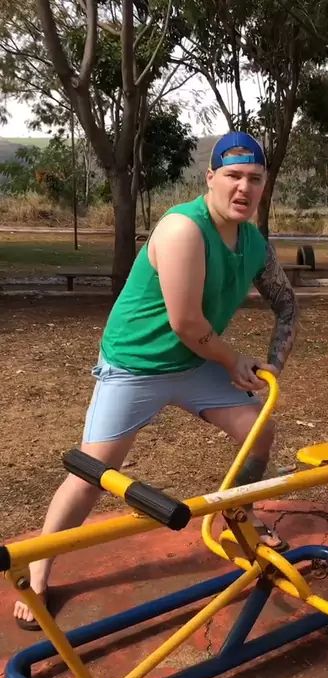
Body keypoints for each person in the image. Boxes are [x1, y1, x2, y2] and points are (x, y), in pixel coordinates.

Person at [14, 130, 299, 630]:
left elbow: (286, 303)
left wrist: (274, 362)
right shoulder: (183, 229)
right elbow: (185, 322)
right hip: (136, 366)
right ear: (210, 178)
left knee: (259, 430)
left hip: (194, 364)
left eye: (254, 178)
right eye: (233, 176)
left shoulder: (253, 242)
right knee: (93, 472)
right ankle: (39, 570)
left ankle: (242, 515)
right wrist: (233, 359)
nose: (244, 188)